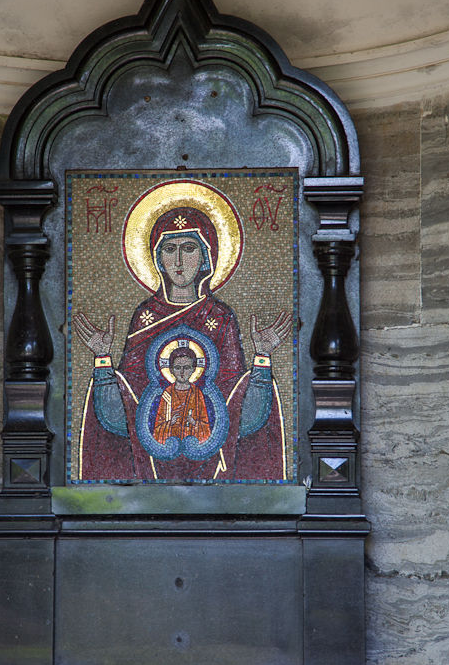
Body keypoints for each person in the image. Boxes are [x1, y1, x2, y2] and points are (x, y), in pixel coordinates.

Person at [74, 205, 291, 481]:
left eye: (189, 248)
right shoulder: (145, 317)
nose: (178, 260)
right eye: (169, 249)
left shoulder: (220, 317)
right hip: (149, 466)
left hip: (214, 466)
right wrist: (103, 360)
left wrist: (262, 358)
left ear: (205, 257)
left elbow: (239, 414)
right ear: (157, 258)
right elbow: (123, 416)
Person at [152, 346, 211, 445]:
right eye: (178, 368)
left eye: (186, 368)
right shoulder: (167, 394)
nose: (182, 372)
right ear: (171, 370)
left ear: (193, 369)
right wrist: (170, 423)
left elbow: (206, 429)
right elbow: (157, 430)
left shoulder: (197, 393)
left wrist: (194, 422)